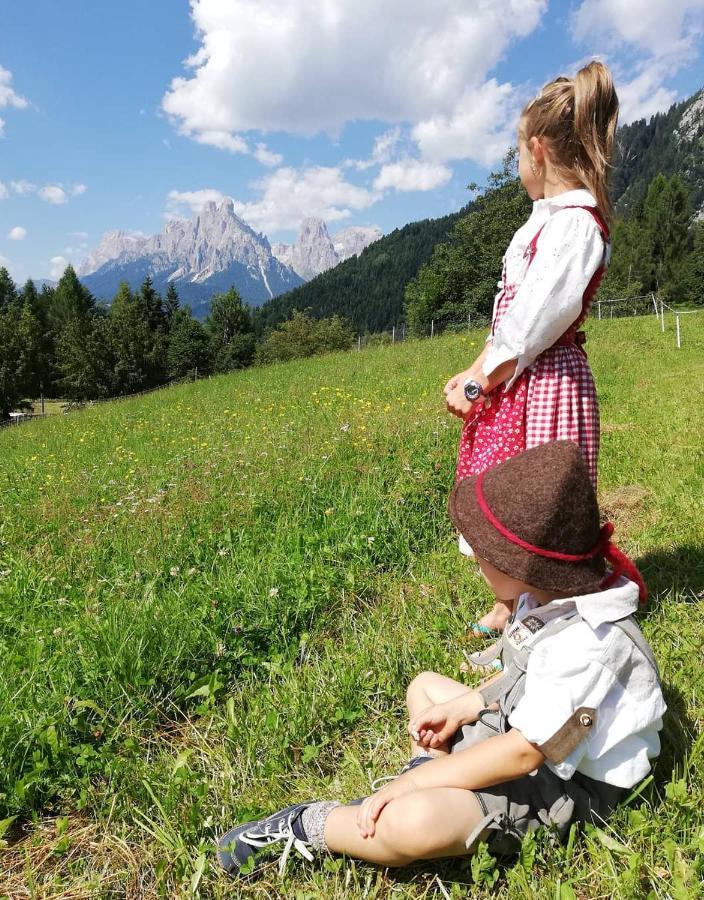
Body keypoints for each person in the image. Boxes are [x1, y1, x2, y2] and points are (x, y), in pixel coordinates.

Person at [217, 442, 665, 877]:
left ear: (522, 565)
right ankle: (435, 775)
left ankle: (311, 823)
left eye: (482, 555)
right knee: (426, 688)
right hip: (534, 733)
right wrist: (470, 704)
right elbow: (524, 678)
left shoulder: (589, 645)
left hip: (565, 784)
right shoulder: (548, 599)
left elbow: (527, 754)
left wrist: (413, 785)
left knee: (409, 824)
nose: (474, 562)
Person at [444, 60, 619, 637]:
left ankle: (544, 602)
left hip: (544, 385)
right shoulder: (545, 222)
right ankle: (511, 596)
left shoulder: (575, 226)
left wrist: (478, 380)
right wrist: (480, 368)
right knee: (505, 483)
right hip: (521, 380)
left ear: (538, 150)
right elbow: (511, 323)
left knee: (541, 497)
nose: (518, 164)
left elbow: (531, 324)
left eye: (518, 151)